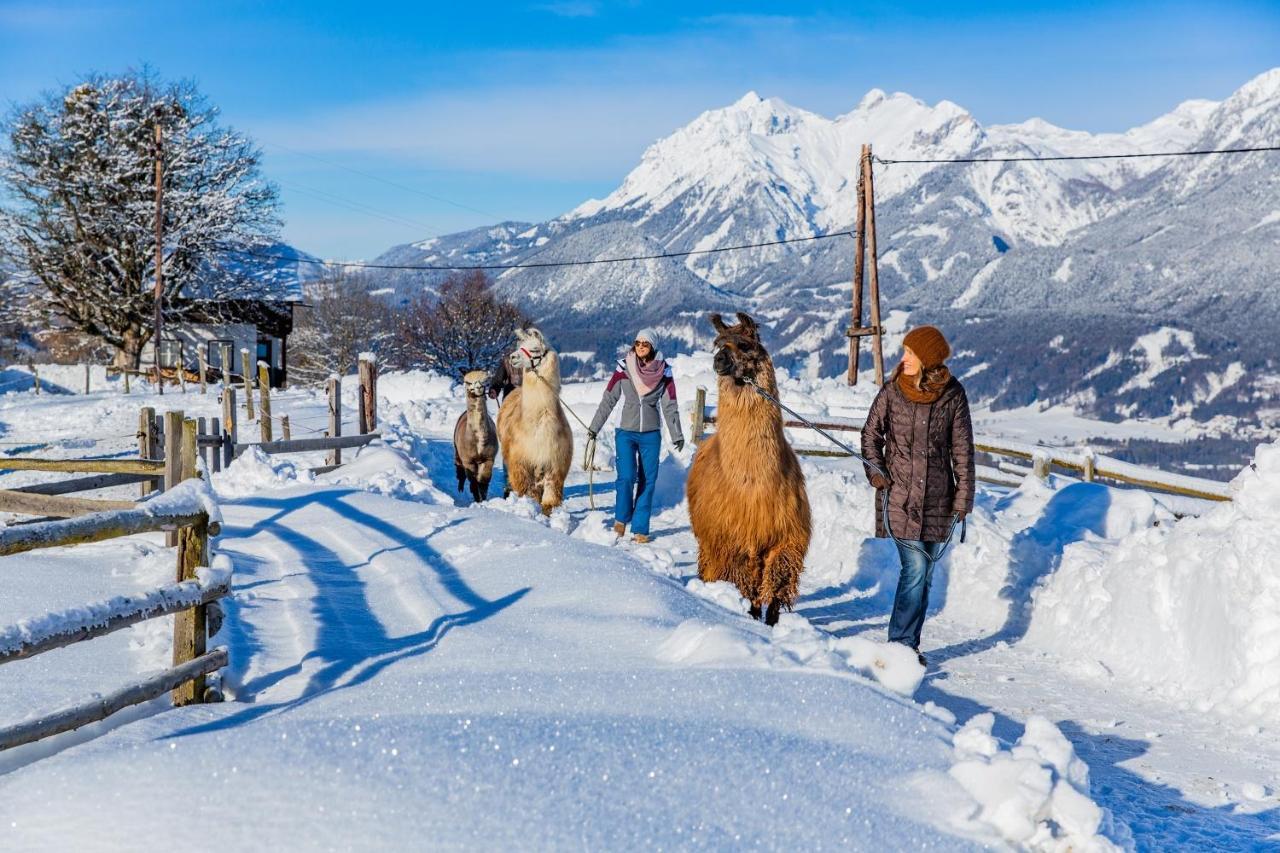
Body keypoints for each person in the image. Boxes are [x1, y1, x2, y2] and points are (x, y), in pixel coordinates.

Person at [860, 325, 975, 666]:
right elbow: (870, 436)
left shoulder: (953, 395)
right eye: (905, 351)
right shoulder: (893, 391)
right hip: (899, 497)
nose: (903, 358)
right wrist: (877, 473)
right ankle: (901, 647)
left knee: (925, 576)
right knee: (915, 568)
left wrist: (963, 499)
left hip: (939, 500)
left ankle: (909, 643)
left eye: (910, 353)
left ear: (927, 359)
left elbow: (963, 452)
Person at [587, 329, 684, 544]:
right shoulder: (624, 366)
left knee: (648, 480)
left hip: (651, 434)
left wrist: (677, 433)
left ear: (653, 347)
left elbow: (670, 405)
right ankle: (621, 518)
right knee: (627, 477)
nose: (640, 346)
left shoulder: (664, 371)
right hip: (625, 432)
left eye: (645, 344)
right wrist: (594, 427)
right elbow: (608, 399)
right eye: (637, 342)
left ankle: (640, 528)